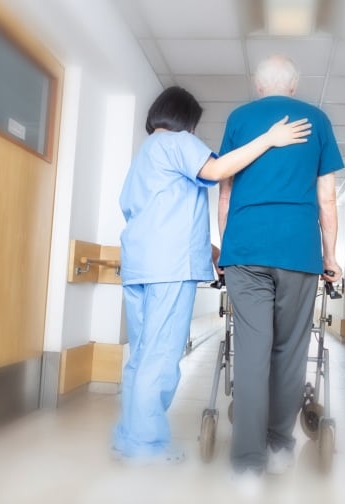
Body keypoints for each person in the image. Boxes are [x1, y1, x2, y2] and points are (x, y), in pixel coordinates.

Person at [112, 85, 312, 465]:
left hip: (139, 263)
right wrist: (270, 138)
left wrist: (212, 251)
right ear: (185, 119)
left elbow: (158, 214)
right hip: (169, 267)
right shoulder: (179, 141)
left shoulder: (144, 155)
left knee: (140, 356)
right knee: (160, 356)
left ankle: (128, 436)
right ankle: (146, 445)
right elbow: (219, 170)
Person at [217, 55, 344, 482]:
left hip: (246, 250)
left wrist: (225, 246)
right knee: (289, 353)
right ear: (294, 86)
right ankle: (279, 446)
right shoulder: (317, 120)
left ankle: (247, 467)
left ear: (258, 86)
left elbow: (225, 192)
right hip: (297, 251)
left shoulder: (238, 118)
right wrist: (330, 257)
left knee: (251, 355)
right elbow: (327, 199)